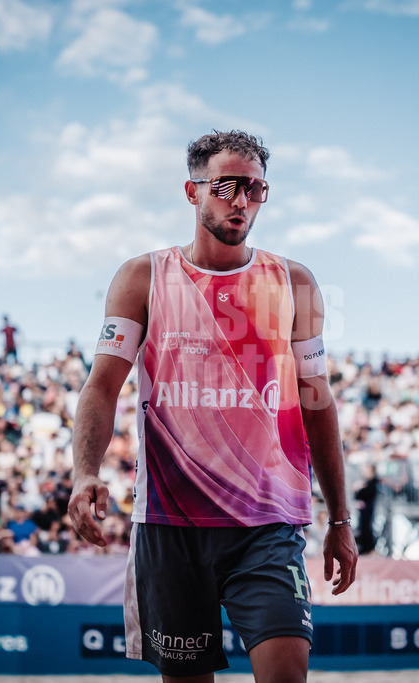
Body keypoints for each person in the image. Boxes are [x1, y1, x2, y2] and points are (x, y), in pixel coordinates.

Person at [68, 130, 357, 682]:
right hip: (170, 521)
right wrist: (85, 472)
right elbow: (101, 387)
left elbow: (317, 405)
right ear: (192, 191)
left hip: (266, 522)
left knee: (286, 675)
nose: (241, 201)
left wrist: (340, 518)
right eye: (226, 187)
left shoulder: (293, 282)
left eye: (255, 188)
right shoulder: (142, 277)